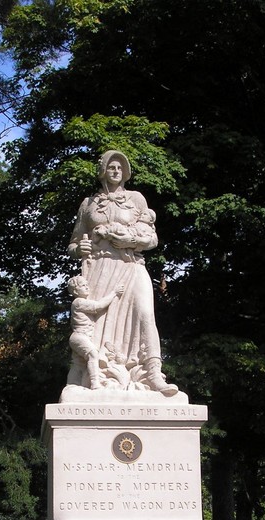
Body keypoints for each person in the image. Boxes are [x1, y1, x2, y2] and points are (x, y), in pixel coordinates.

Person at [68, 150, 177, 396]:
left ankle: (153, 374)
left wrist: (128, 238)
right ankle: (98, 376)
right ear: (102, 170)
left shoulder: (136, 199)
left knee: (146, 313)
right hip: (100, 269)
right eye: (111, 167)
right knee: (98, 327)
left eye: (120, 168)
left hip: (131, 265)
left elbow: (152, 239)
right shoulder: (88, 204)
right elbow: (74, 244)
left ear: (125, 172)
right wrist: (79, 248)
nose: (116, 171)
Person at [67, 275, 124, 390]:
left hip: (82, 337)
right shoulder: (78, 302)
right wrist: (114, 293)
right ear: (75, 290)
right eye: (83, 286)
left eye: (87, 285)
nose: (87, 287)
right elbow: (97, 306)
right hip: (79, 336)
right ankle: (95, 383)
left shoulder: (82, 301)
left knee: (79, 363)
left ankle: (71, 385)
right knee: (93, 354)